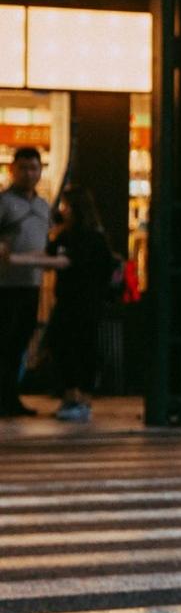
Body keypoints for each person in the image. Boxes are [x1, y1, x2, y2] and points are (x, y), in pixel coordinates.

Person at [45, 186, 116, 423]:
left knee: (73, 347)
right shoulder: (76, 235)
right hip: (79, 301)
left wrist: (16, 259)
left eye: (66, 206)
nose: (62, 211)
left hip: (80, 302)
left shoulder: (86, 238)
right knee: (68, 345)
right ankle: (76, 396)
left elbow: (60, 262)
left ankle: (77, 397)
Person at [0, 147, 61, 418]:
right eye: (23, 168)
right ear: (13, 169)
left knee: (19, 343)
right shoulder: (4, 202)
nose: (29, 174)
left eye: (33, 168)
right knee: (4, 342)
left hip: (32, 283)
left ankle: (11, 397)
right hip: (5, 284)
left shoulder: (42, 205)